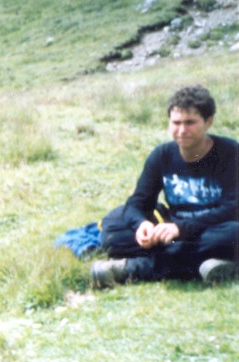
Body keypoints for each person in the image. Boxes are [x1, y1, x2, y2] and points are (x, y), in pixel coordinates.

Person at [92, 84, 238, 287]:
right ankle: (209, 263)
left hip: (214, 228)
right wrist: (142, 225)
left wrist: (181, 229)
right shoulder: (162, 155)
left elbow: (232, 208)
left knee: (233, 234)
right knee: (114, 234)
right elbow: (138, 202)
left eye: (190, 122)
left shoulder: (231, 153)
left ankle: (134, 268)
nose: (182, 130)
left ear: (208, 121)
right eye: (176, 122)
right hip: (178, 233)